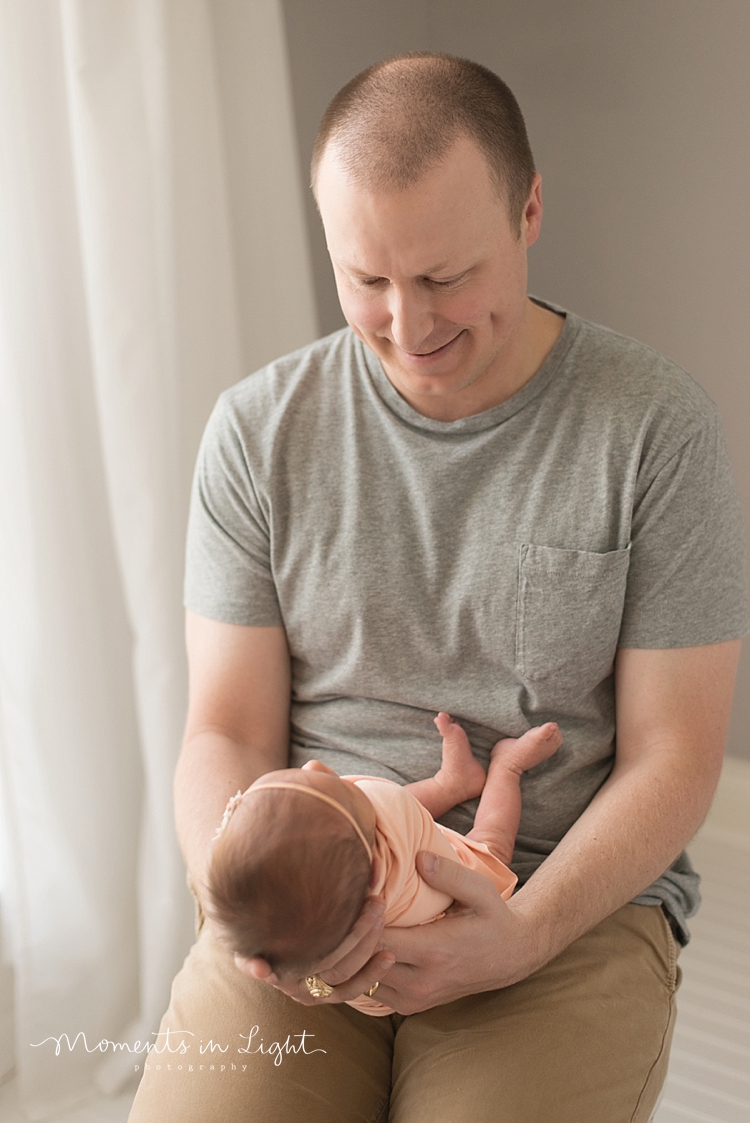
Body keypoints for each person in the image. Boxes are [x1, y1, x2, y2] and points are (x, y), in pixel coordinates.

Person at [128, 53, 747, 1122]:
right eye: (366, 281)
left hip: (554, 906)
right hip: (312, 907)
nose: (409, 330)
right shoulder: (258, 433)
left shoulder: (655, 432)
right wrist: (260, 912)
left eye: (445, 278)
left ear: (531, 209)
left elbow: (675, 757)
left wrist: (526, 931)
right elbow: (222, 730)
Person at [206, 716, 561, 1016]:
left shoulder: (308, 922)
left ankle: (452, 784)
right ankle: (507, 767)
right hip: (453, 923)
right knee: (491, 843)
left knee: (362, 823)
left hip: (366, 992)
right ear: (377, 867)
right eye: (332, 781)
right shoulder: (390, 815)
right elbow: (386, 799)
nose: (314, 765)